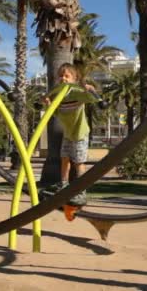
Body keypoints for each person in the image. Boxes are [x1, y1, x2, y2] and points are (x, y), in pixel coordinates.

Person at [42, 63, 98, 204]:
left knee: (79, 162)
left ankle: (81, 191)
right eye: (61, 76)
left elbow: (93, 99)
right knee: (64, 159)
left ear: (74, 79)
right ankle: (64, 184)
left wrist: (90, 90)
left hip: (80, 133)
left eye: (67, 76)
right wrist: (48, 103)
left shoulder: (76, 93)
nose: (63, 79)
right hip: (68, 133)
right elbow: (56, 113)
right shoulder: (58, 96)